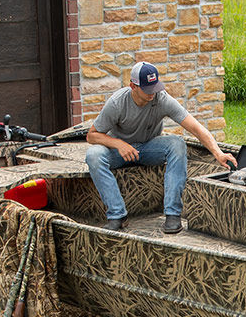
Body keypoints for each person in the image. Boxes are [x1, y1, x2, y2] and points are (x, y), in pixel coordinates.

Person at [85, 62, 235, 234]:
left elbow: (195, 127)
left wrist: (218, 153)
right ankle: (117, 215)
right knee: (94, 155)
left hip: (148, 148)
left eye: (155, 87)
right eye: (147, 89)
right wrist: (119, 144)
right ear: (133, 86)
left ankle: (172, 215)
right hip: (119, 152)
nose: (152, 93)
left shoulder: (162, 99)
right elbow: (92, 135)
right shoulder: (117, 103)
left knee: (176, 144)